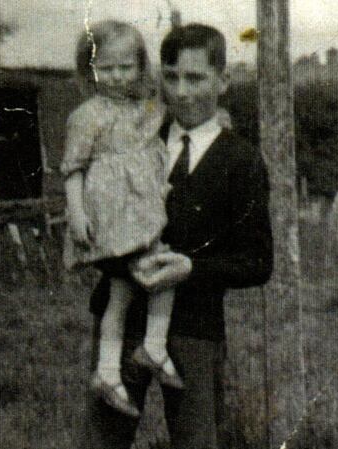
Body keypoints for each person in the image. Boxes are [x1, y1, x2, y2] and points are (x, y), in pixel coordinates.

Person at [82, 23, 274, 449]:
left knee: (196, 441)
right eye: (172, 77)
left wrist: (190, 268)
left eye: (196, 78)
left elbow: (257, 263)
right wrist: (124, 261)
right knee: (100, 441)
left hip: (195, 328)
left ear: (223, 81)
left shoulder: (242, 161)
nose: (183, 91)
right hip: (122, 323)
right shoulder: (132, 136)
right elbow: (97, 221)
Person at [61, 20, 184, 418]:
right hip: (112, 215)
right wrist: (77, 213)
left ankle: (132, 357)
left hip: (142, 210)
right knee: (138, 283)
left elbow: (172, 106)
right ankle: (130, 358)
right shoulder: (87, 115)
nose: (115, 77)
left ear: (139, 66)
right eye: (105, 69)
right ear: (90, 71)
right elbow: (73, 168)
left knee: (144, 281)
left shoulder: (146, 109)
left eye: (125, 67)